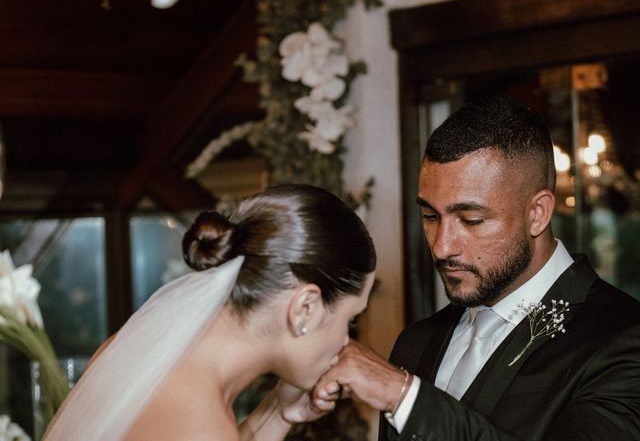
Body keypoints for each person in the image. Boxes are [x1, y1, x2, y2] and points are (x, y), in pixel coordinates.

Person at [311, 95, 640, 440]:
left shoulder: (624, 339)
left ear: (538, 213)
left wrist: (403, 396)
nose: (442, 247)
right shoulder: (416, 342)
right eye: (430, 216)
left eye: (471, 219)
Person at [43, 184, 376, 441]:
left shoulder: (145, 352)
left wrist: (278, 411)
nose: (345, 343)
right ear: (305, 308)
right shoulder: (197, 423)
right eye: (350, 320)